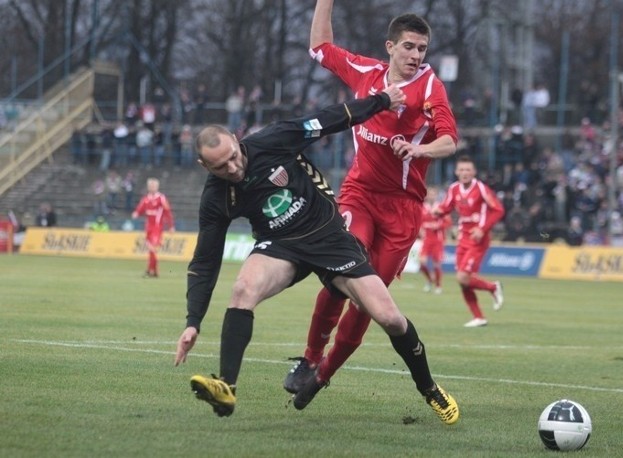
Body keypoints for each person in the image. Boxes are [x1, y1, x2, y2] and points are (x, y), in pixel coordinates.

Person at [173, 87, 459, 425]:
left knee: (390, 318)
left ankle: (428, 388)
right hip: (280, 246)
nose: (233, 168)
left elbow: (329, 119)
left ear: (238, 140)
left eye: (235, 156)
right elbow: (205, 261)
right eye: (221, 166)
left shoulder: (273, 140)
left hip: (329, 236)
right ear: (204, 165)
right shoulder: (215, 199)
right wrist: (193, 322)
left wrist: (381, 100)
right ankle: (226, 386)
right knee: (242, 290)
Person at [283, 0, 457, 402]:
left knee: (368, 303)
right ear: (390, 47)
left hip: (403, 210)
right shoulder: (366, 72)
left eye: (422, 49)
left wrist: (420, 152)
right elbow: (319, 47)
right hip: (359, 194)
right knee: (341, 271)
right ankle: (309, 359)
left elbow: (449, 140)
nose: (416, 56)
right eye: (409, 47)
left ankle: (322, 377)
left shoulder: (430, 87)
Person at [433, 155, 505, 327]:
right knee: (462, 280)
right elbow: (447, 206)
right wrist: (438, 211)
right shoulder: (454, 189)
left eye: (468, 170)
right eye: (462, 169)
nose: (465, 172)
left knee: (463, 277)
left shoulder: (480, 188)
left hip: (478, 238)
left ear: (474, 172)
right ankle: (479, 317)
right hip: (463, 237)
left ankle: (493, 287)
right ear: (457, 172)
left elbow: (498, 210)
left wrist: (482, 229)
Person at [131, 178, 175, 277]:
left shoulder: (161, 198)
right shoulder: (146, 198)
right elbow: (139, 209)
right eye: (150, 186)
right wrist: (136, 213)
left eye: (154, 186)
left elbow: (168, 212)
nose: (152, 187)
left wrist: (171, 226)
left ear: (157, 187)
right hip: (148, 228)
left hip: (157, 227)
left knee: (152, 248)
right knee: (151, 249)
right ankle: (153, 271)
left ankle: (151, 270)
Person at [418, 187, 452, 294]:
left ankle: (438, 285)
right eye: (430, 194)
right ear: (427, 195)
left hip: (438, 240)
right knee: (422, 262)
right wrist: (420, 230)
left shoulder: (441, 208)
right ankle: (429, 280)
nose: (431, 196)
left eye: (433, 194)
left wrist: (438, 225)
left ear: (436, 195)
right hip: (427, 239)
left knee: (436, 264)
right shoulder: (422, 207)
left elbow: (448, 222)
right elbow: (418, 221)